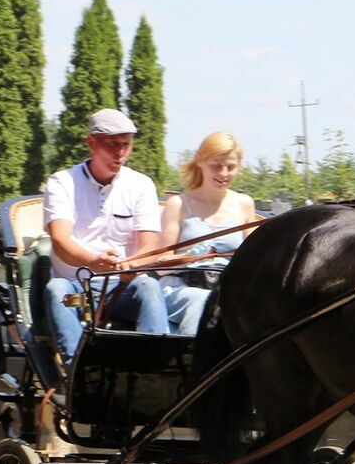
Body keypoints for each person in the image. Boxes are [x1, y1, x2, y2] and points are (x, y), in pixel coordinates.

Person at [43, 108, 168, 367]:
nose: (120, 152)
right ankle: (78, 370)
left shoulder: (141, 185)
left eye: (126, 145)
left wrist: (132, 264)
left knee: (149, 287)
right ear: (91, 142)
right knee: (56, 290)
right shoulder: (61, 183)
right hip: (78, 292)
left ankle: (154, 368)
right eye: (112, 144)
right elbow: (61, 242)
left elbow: (149, 245)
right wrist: (93, 261)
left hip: (121, 289)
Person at [157, 131, 258, 334]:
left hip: (226, 289)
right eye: (216, 166)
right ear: (200, 162)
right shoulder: (178, 204)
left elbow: (255, 260)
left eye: (231, 167)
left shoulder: (244, 204)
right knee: (204, 302)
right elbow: (160, 264)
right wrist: (189, 257)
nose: (224, 173)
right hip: (182, 288)